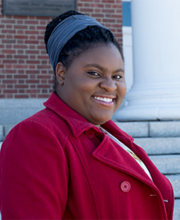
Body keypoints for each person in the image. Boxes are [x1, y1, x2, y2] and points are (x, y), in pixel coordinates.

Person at [0, 10, 174, 220]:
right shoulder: (35, 137)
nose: (110, 86)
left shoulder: (115, 139)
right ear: (61, 73)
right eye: (94, 73)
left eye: (117, 75)